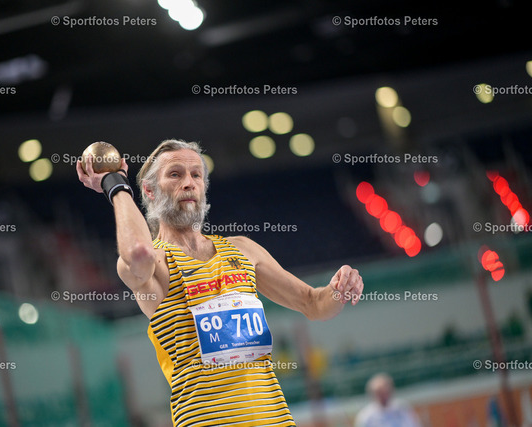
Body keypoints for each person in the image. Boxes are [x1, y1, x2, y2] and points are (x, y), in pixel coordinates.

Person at [77, 139, 364, 427]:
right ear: (149, 191)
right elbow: (137, 251)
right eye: (175, 174)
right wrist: (116, 185)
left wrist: (338, 290)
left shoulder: (243, 250)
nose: (188, 183)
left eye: (196, 175)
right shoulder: (158, 265)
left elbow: (314, 304)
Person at [355, 373, 422, 427]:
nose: (383, 396)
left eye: (385, 392)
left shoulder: (403, 408)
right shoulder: (366, 416)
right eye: (379, 393)